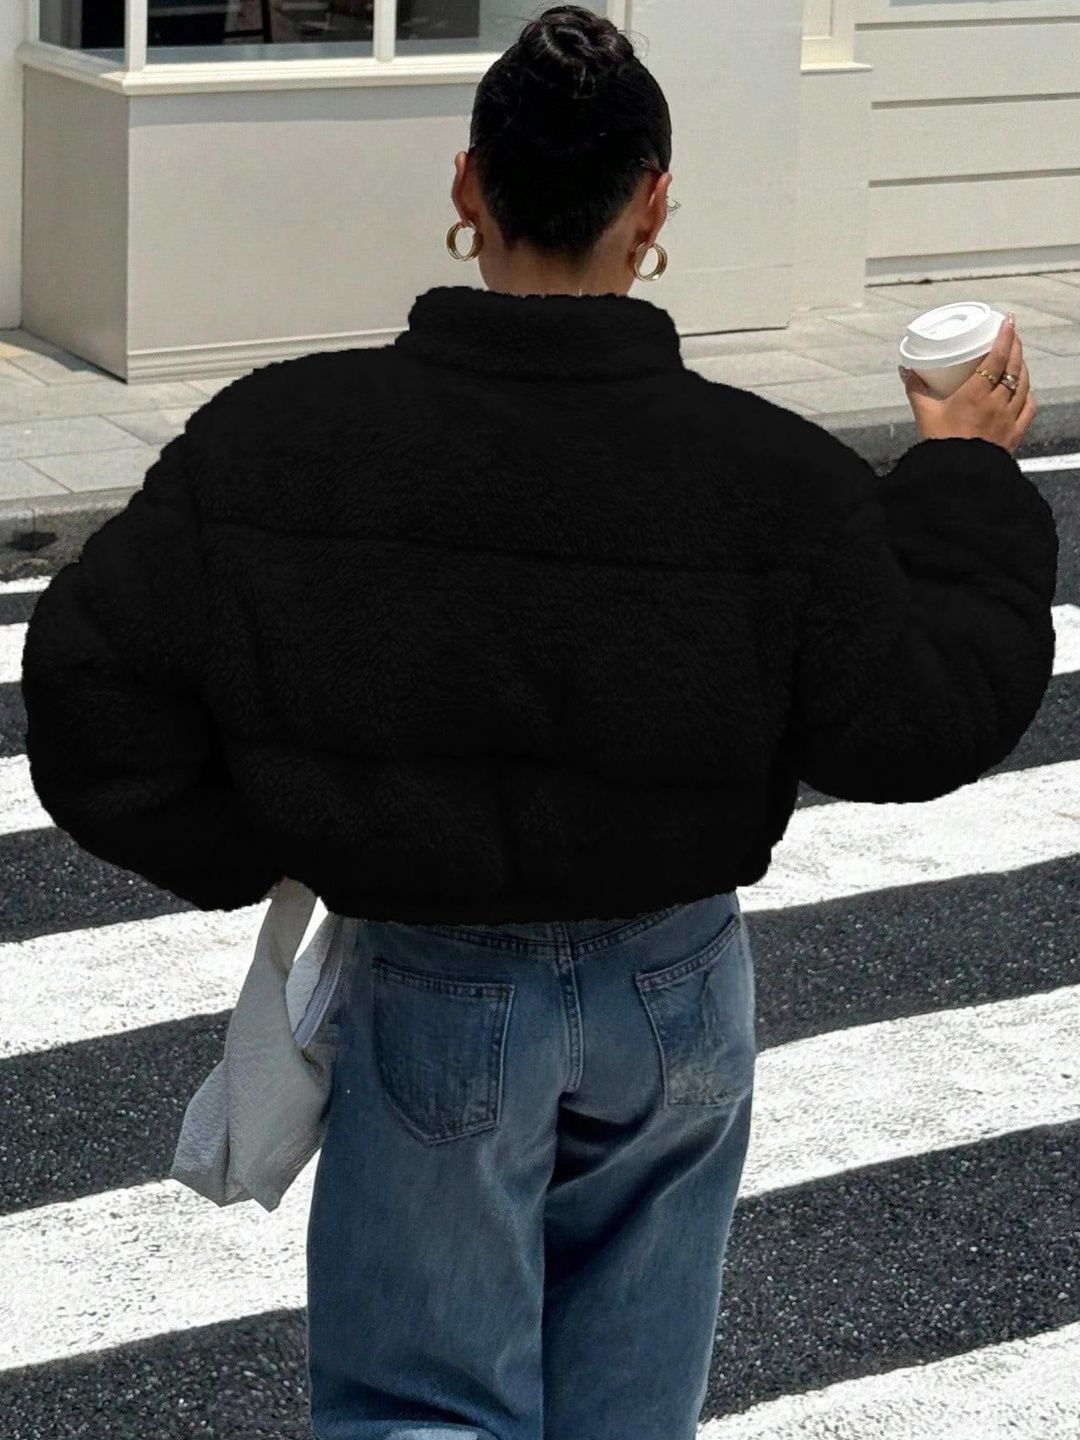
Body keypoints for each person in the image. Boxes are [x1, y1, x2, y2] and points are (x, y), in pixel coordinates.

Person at [19, 6, 1057, 1439]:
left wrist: (281, 832)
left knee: (420, 1403)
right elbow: (924, 716)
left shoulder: (285, 439)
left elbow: (89, 695)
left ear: (467, 186)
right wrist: (964, 476)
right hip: (675, 984)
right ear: (655, 207)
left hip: (435, 975)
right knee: (628, 1411)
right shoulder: (771, 477)